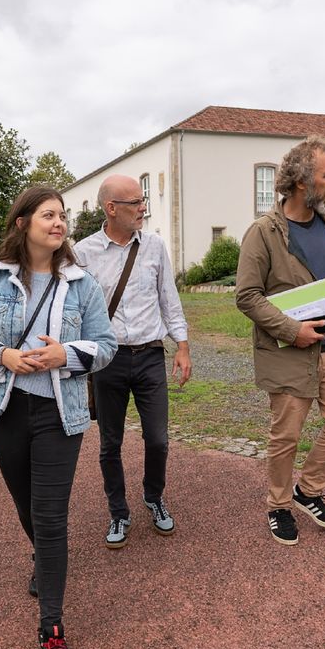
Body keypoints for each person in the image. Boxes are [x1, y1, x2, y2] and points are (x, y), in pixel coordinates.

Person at [0, 186, 117, 649]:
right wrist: (1, 355)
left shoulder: (82, 284)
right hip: (5, 411)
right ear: (22, 222)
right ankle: (41, 562)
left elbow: (106, 346)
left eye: (63, 215)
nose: (59, 222)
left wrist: (65, 355)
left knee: (50, 519)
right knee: (27, 509)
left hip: (59, 416)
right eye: (48, 214)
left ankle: (52, 626)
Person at [235, 135, 325, 546]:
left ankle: (307, 490)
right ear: (303, 182)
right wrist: (293, 331)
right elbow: (247, 296)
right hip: (290, 352)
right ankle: (278, 506)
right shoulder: (263, 232)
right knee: (286, 435)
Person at [73, 175, 191, 549]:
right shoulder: (83, 253)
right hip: (107, 361)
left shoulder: (154, 246)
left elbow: (168, 299)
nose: (144, 208)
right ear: (111, 209)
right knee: (110, 443)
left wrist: (183, 347)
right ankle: (118, 511)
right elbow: (72, 310)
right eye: (136, 202)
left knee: (158, 440)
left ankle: (154, 498)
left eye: (143, 201)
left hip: (150, 356)